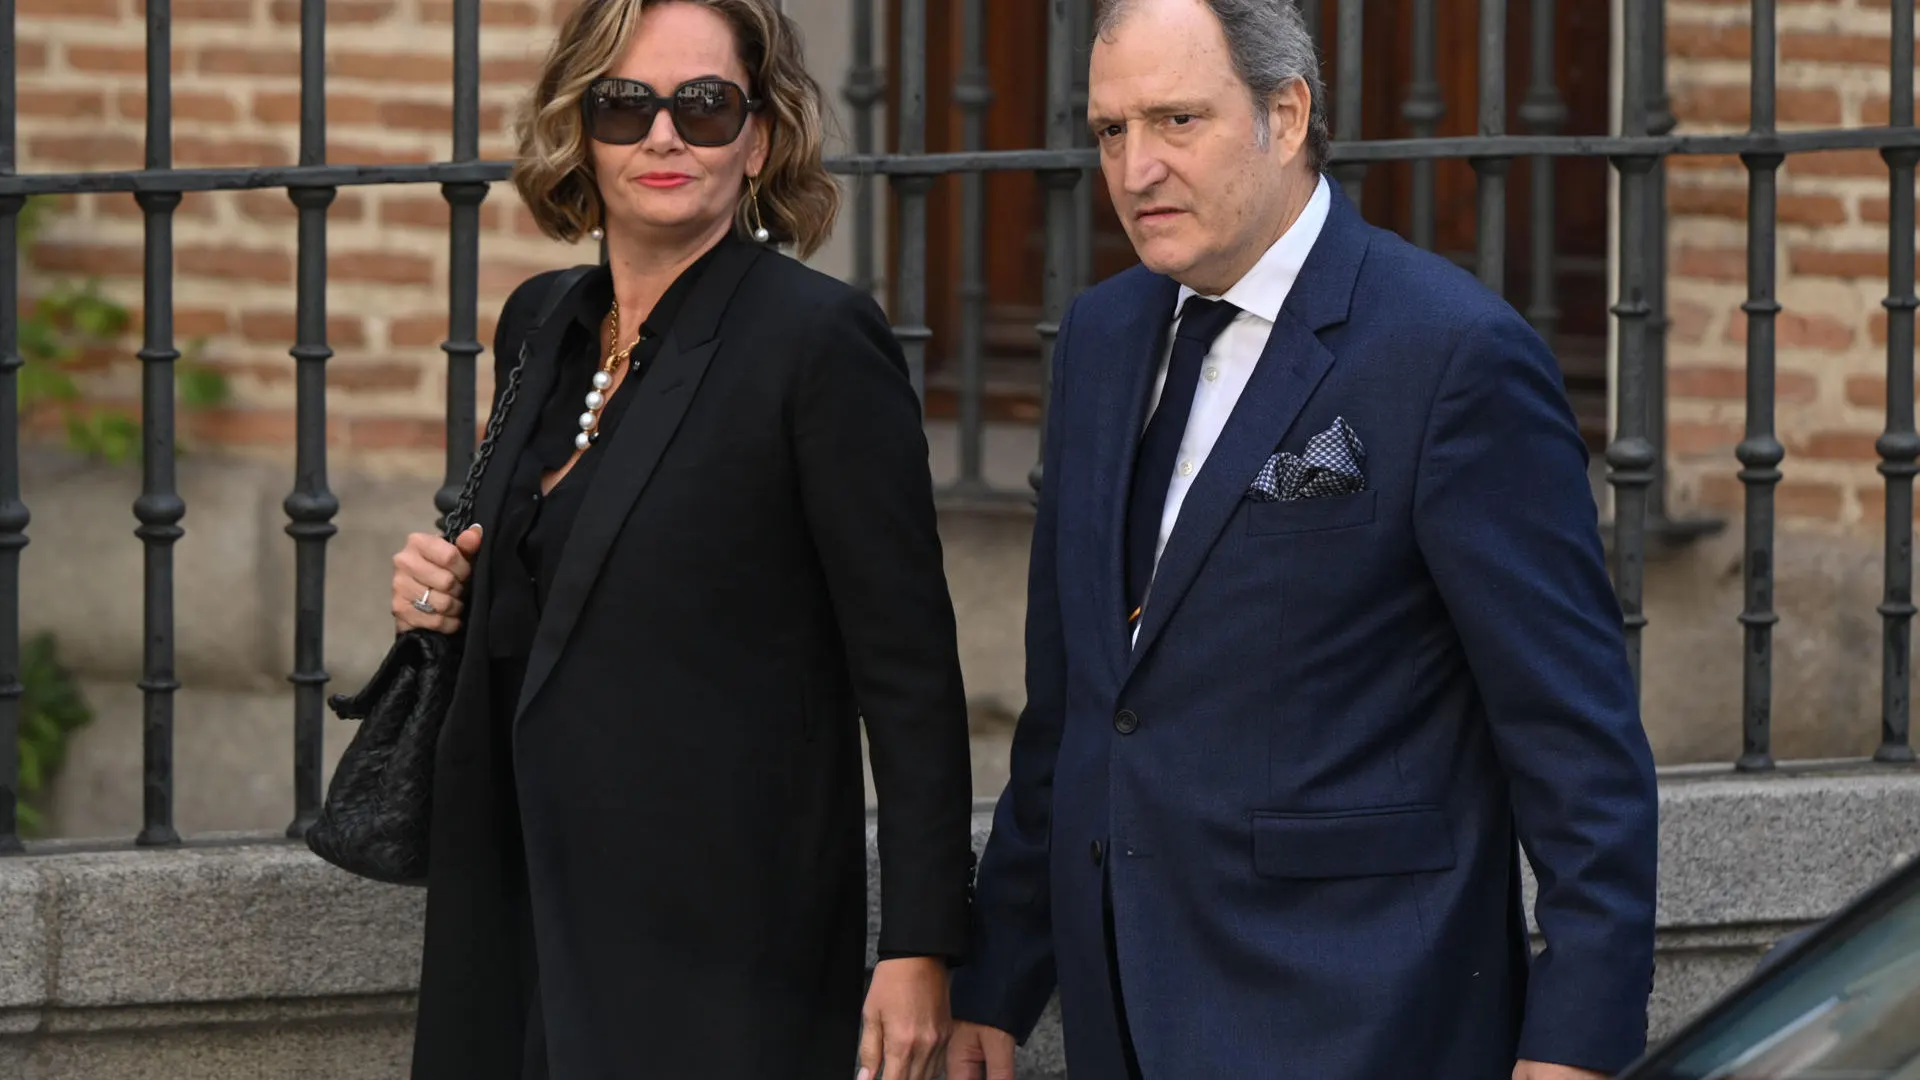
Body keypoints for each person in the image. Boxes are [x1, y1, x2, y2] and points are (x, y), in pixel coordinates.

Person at [946, 1, 1661, 1079]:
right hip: (1124, 1023)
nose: (1136, 168)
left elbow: (1579, 748)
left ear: (1287, 115)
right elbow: (1084, 710)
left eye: (1177, 121)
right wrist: (995, 990)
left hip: (1366, 1021)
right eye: (1110, 131)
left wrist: (1575, 1050)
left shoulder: (1451, 356)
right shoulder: (1100, 339)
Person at [385, 2, 973, 1078]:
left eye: (704, 107)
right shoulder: (542, 324)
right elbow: (549, 598)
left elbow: (909, 673)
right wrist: (441, 592)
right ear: (582, 128)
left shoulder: (816, 342)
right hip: (514, 906)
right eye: (625, 105)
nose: (664, 136)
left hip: (720, 945)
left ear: (758, 136)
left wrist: (923, 942)